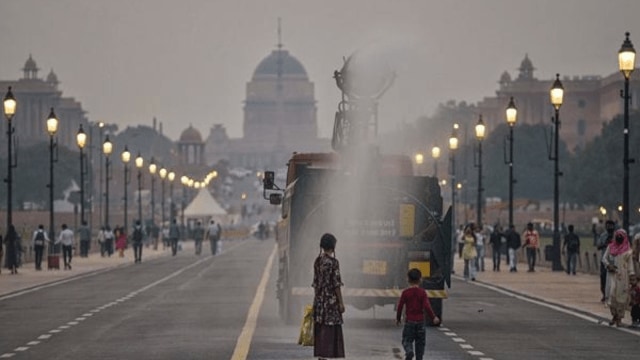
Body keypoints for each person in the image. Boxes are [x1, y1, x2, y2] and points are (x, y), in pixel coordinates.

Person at [312, 233, 345, 359]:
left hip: (320, 300)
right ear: (333, 246)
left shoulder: (317, 261)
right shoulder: (333, 263)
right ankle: (328, 354)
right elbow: (336, 284)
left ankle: (321, 356)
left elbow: (315, 283)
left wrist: (317, 299)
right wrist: (341, 303)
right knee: (330, 328)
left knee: (321, 327)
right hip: (331, 302)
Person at [396, 268, 441, 360]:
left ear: (407, 279)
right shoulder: (422, 293)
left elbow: (400, 306)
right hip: (420, 322)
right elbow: (427, 306)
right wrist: (434, 317)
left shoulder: (405, 293)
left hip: (409, 322)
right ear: (420, 279)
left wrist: (398, 318)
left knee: (406, 340)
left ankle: (409, 351)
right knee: (420, 344)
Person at [602, 229, 635, 327]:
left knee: (621, 297)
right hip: (612, 275)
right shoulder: (610, 247)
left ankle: (619, 318)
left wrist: (632, 275)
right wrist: (608, 265)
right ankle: (614, 315)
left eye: (621, 236)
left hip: (623, 277)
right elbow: (604, 258)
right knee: (611, 295)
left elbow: (630, 265)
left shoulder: (628, 251)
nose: (619, 238)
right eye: (618, 236)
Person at [597, 220, 616, 302]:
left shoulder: (616, 236)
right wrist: (605, 244)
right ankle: (604, 294)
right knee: (603, 278)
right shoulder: (603, 236)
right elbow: (598, 246)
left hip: (614, 260)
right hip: (604, 260)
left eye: (611, 226)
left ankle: (612, 295)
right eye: (608, 226)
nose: (609, 228)